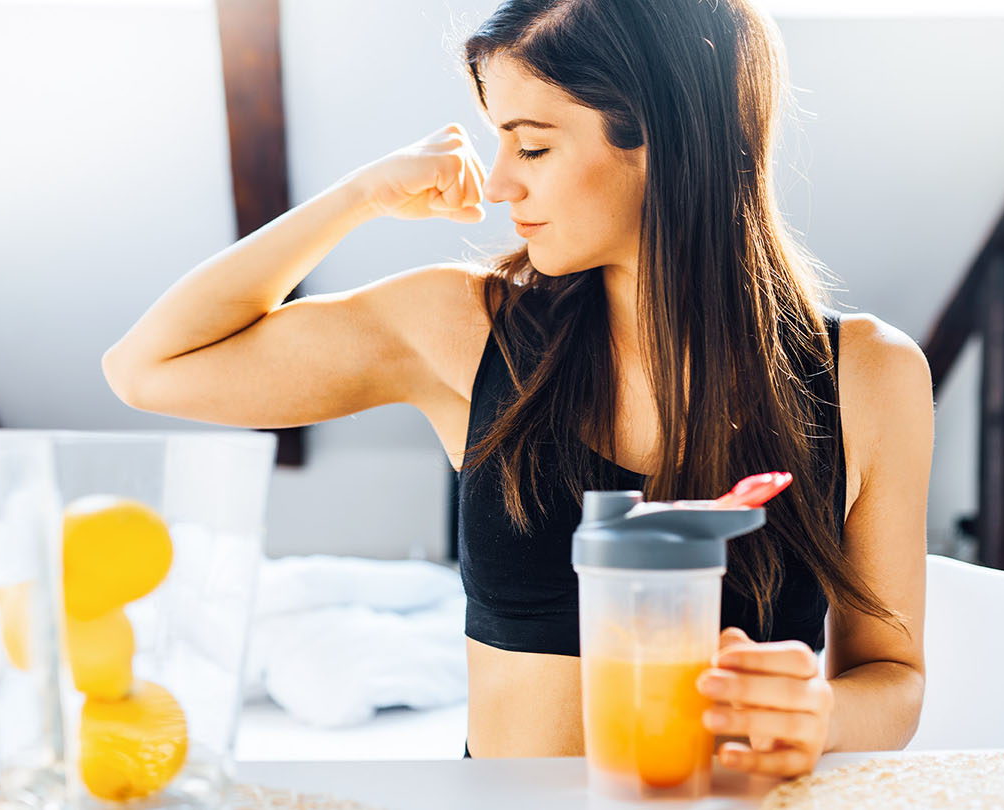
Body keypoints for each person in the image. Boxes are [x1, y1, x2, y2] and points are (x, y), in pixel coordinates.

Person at [102, 0, 930, 778]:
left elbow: (892, 678)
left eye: (531, 146)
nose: (497, 184)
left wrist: (818, 713)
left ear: (668, 143)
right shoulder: (460, 329)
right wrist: (361, 197)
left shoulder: (867, 376)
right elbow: (150, 368)